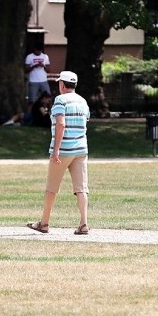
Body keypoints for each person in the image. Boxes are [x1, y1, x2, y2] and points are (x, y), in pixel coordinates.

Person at [27, 70, 91, 235]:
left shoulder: (60, 101)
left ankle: (44, 223)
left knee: (51, 188)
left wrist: (55, 151)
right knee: (81, 188)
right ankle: (83, 223)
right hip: (81, 150)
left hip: (63, 150)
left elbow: (61, 124)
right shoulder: (83, 101)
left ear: (62, 84)